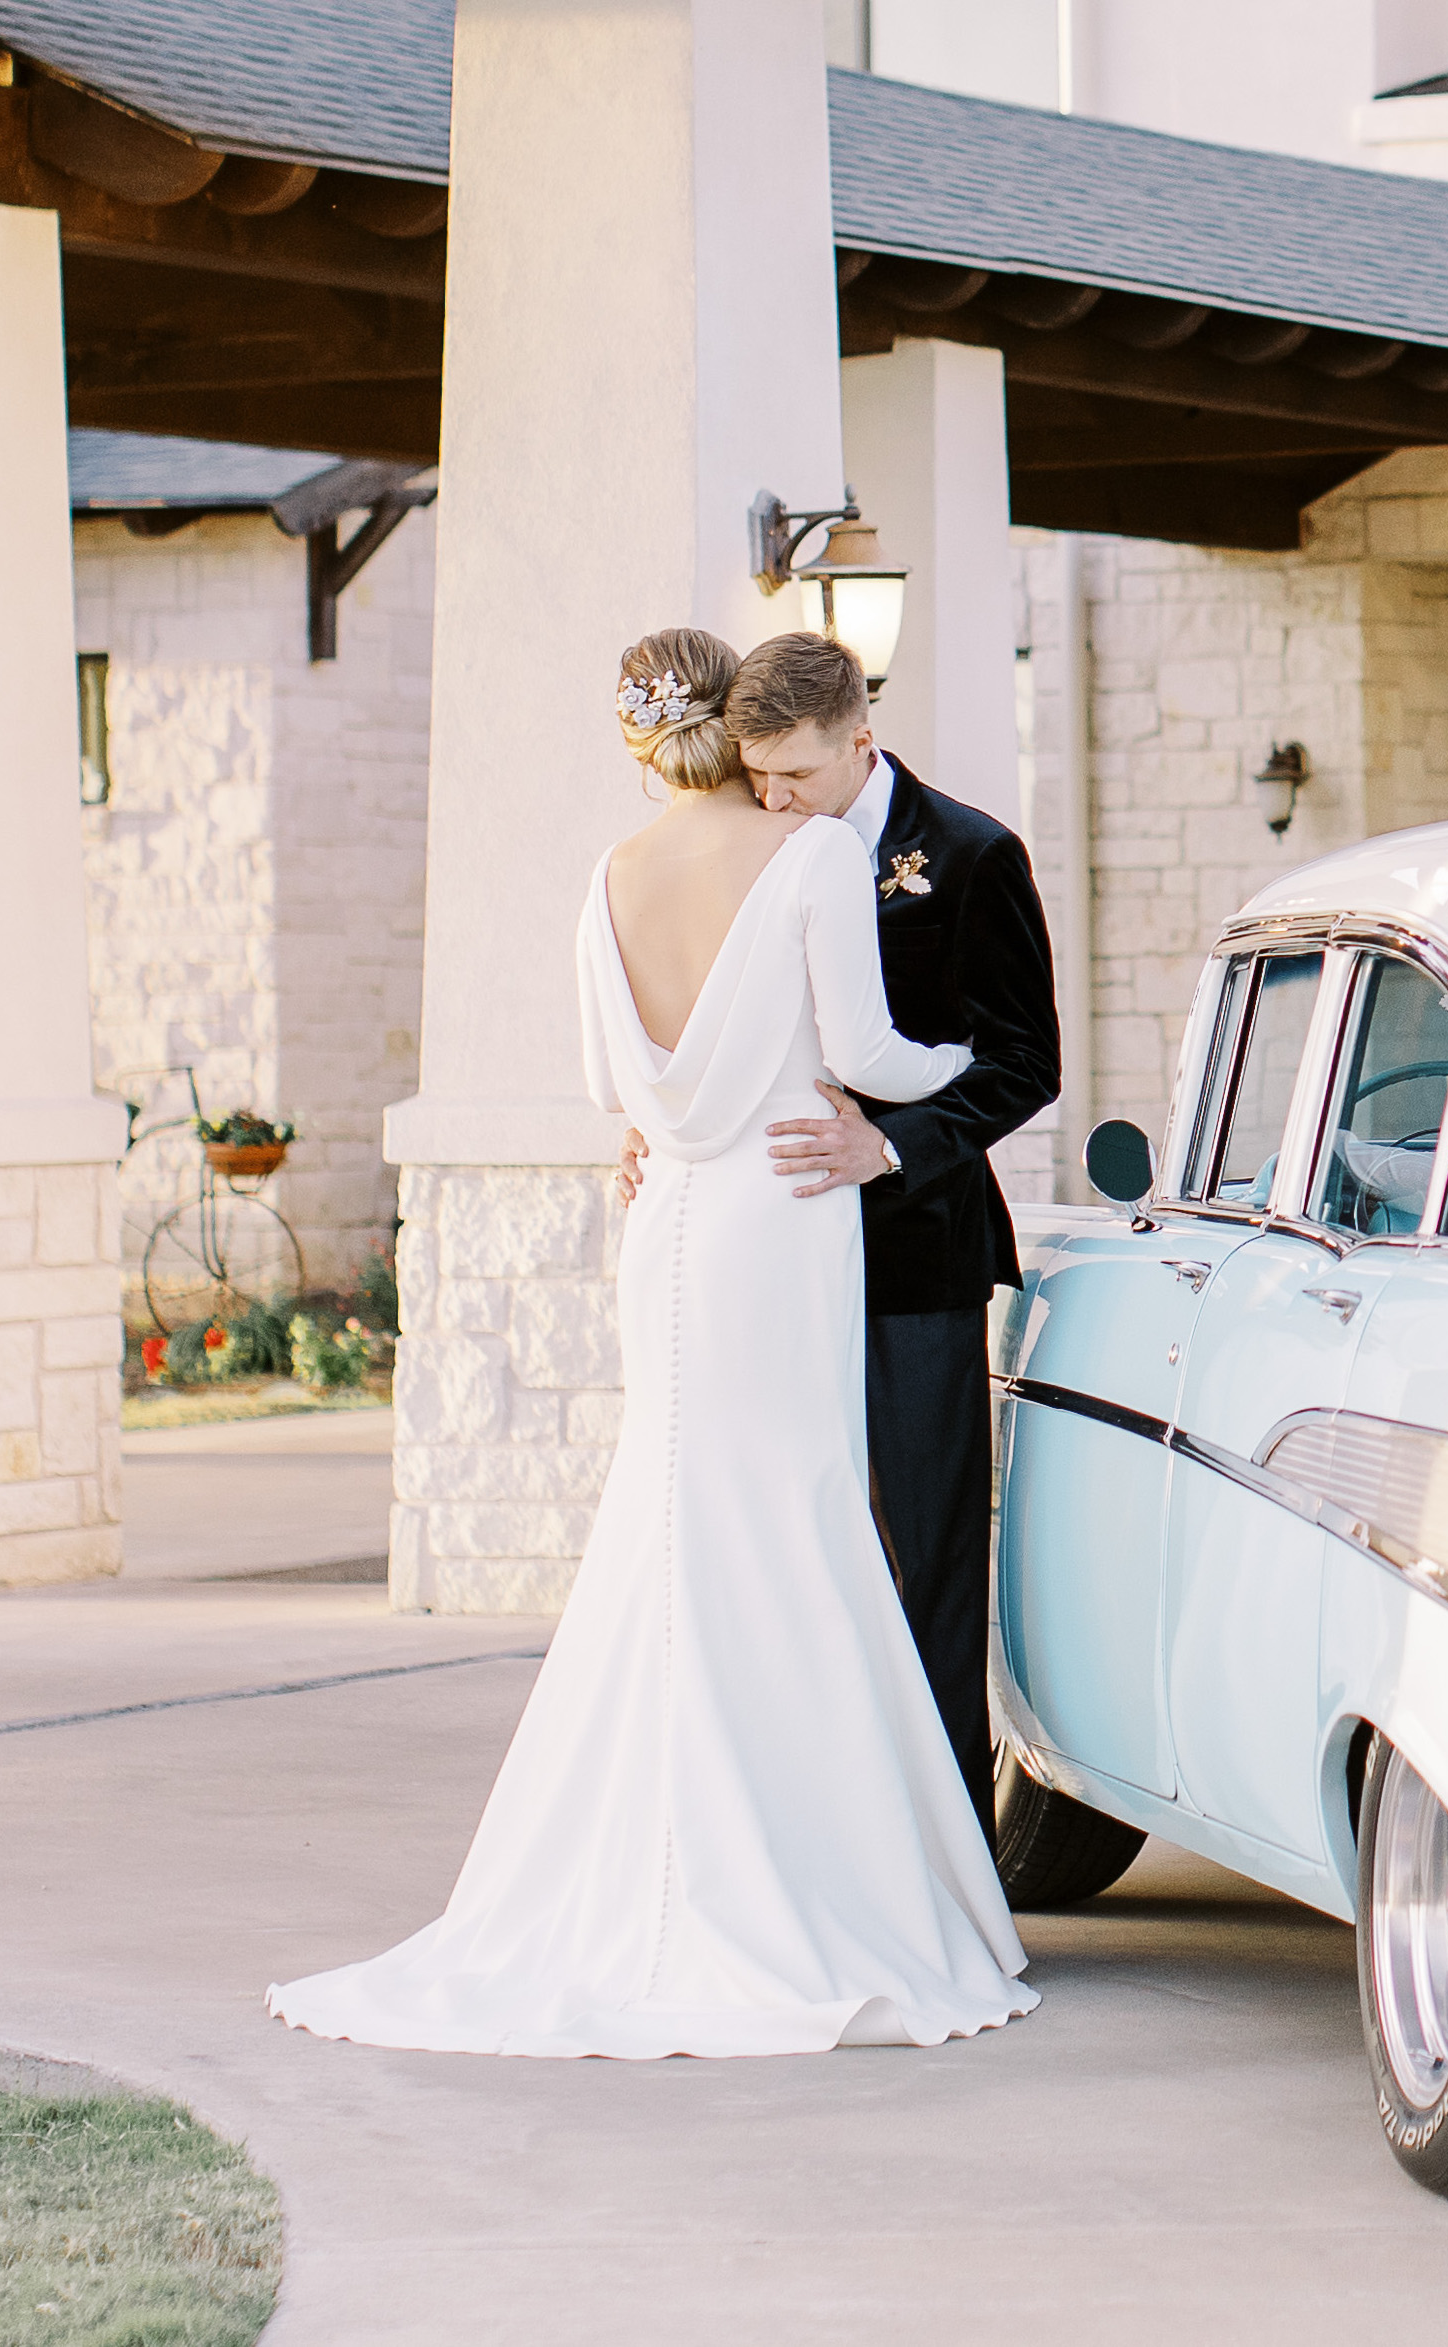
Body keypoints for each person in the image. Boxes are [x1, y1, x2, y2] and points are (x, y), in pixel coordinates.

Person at [268, 629, 1035, 2057]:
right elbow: (871, 1050)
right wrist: (894, 1088)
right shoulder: (799, 856)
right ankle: (821, 1882)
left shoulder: (610, 875)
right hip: (783, 1210)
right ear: (735, 732)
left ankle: (637, 1874)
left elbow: (606, 1076)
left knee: (678, 1519)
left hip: (674, 1223)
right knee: (791, 1525)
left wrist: (685, 1116)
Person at [718, 632, 1061, 1810]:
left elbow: (1026, 1061)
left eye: (795, 777)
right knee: (797, 1548)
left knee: (928, 1554)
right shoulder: (750, 845)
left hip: (914, 1258)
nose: (773, 799)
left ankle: (947, 1856)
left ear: (859, 739)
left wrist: (891, 1144)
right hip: (770, 1252)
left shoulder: (970, 856)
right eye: (757, 775)